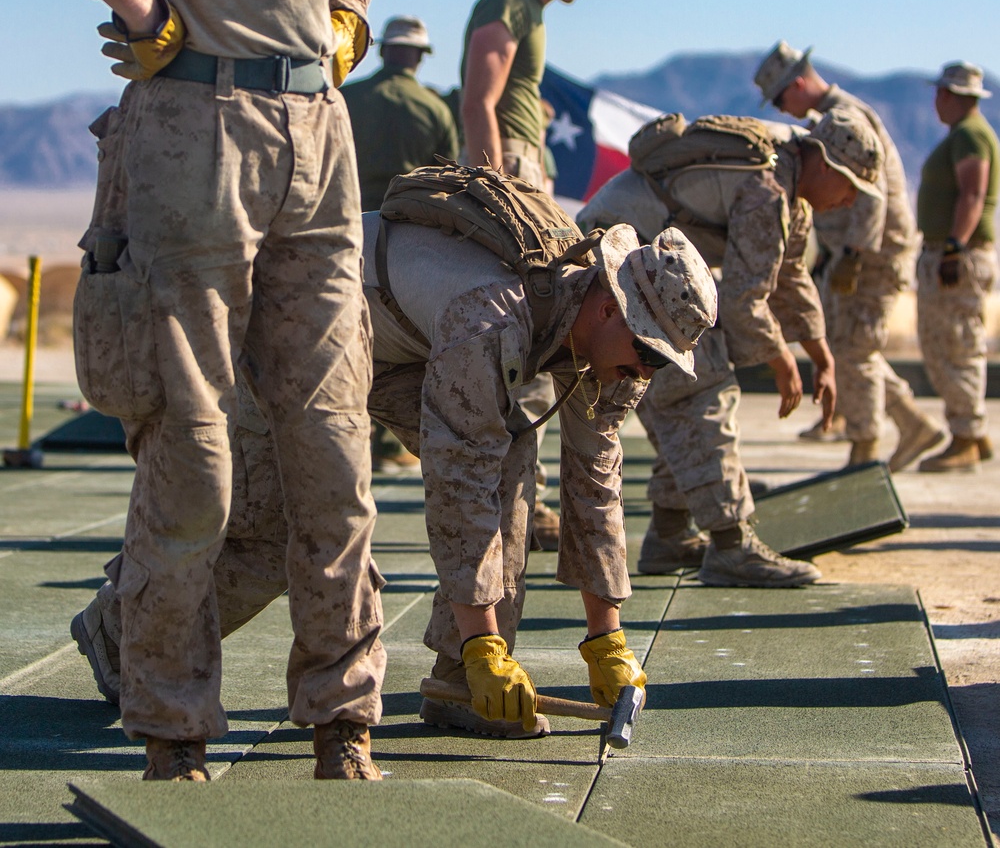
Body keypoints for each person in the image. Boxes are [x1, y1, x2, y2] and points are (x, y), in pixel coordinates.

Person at [1, 0, 435, 782]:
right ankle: (172, 727)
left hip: (319, 140)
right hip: (195, 132)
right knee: (193, 450)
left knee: (333, 445)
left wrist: (345, 24)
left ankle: (342, 715)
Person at [74, 205, 719, 739]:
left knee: (514, 461)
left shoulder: (612, 352)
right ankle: (117, 634)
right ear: (609, 308)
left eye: (662, 364)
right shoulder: (490, 315)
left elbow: (595, 485)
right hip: (299, 323)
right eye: (647, 355)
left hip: (401, 345)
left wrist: (607, 636)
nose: (646, 374)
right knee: (275, 532)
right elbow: (457, 479)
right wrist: (484, 641)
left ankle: (460, 685)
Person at [578, 106, 884, 586]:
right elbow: (744, 298)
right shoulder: (768, 189)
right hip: (614, 265)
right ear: (823, 162)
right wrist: (782, 358)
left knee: (688, 387)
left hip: (636, 266)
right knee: (701, 386)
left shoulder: (789, 189)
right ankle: (732, 545)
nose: (850, 202)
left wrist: (818, 348)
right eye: (849, 186)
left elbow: (789, 274)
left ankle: (671, 532)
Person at [460, 0, 630, 548]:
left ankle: (522, 508)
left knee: (539, 338)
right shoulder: (510, 3)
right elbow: (479, 99)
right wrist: (496, 193)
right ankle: (511, 507)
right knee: (526, 338)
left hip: (526, 169)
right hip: (510, 179)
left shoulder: (530, 13)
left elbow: (505, 94)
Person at [754, 41, 939, 470]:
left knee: (854, 353)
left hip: (872, 256)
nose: (783, 109)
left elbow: (872, 194)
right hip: (858, 253)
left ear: (798, 83)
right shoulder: (833, 116)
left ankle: (866, 448)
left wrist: (855, 253)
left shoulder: (846, 119)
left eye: (782, 98)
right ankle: (913, 424)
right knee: (855, 349)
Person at [460, 0, 630, 185]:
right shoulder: (510, 2)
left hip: (519, 162)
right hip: (505, 163)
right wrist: (495, 188)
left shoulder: (531, 10)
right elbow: (478, 103)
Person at [914, 62, 999, 472]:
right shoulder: (961, 135)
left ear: (953, 95)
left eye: (940, 94)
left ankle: (966, 434)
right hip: (949, 251)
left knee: (957, 345)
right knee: (942, 343)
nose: (936, 102)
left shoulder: (970, 135)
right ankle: (971, 433)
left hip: (958, 256)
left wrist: (953, 248)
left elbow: (973, 193)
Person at [342, 16, 459, 211]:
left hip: (348, 214)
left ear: (381, 51)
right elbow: (449, 179)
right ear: (421, 56)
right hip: (408, 221)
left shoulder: (343, 98)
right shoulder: (437, 110)